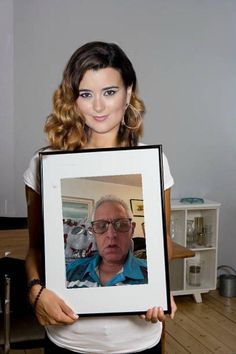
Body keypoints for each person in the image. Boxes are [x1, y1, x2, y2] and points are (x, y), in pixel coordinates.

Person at [23, 41, 177, 354]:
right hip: (69, 340)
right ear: (73, 98)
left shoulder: (153, 164)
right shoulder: (44, 164)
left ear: (129, 92)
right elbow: (36, 249)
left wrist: (158, 286)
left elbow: (164, 243)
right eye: (86, 94)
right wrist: (35, 292)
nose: (98, 106)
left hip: (139, 340)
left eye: (109, 91)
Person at [66, 195, 148, 288]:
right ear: (93, 233)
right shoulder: (71, 270)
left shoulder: (153, 273)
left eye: (121, 224)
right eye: (101, 226)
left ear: (132, 230)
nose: (111, 235)